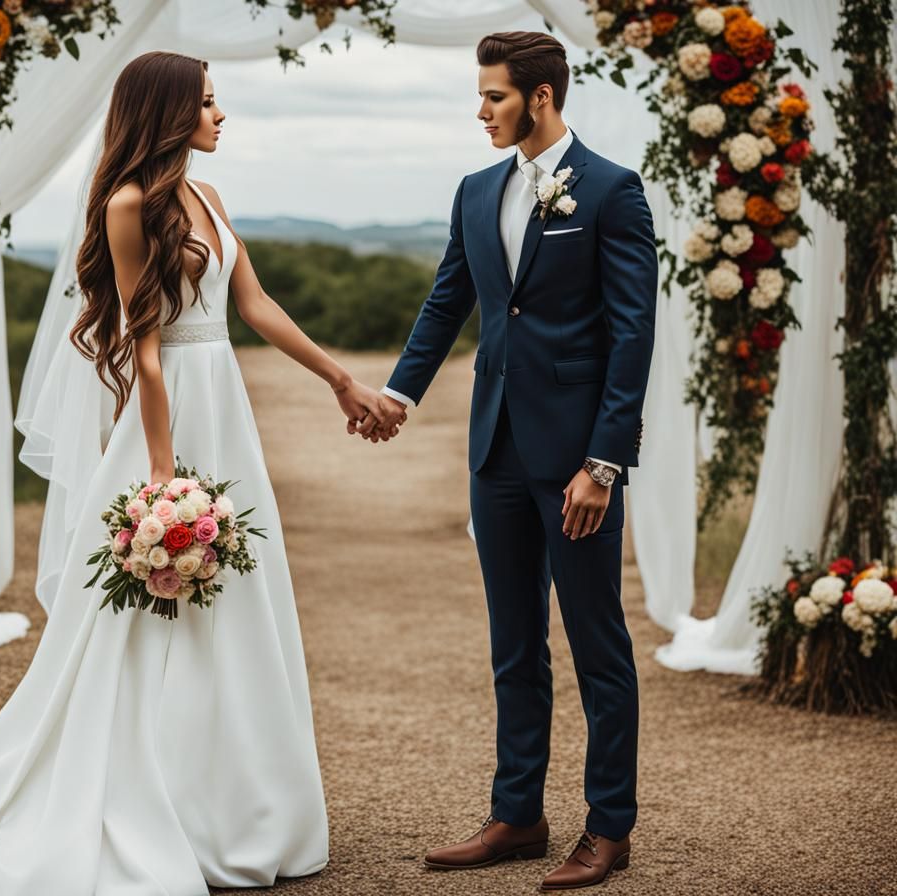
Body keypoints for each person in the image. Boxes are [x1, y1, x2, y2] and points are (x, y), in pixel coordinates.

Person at [0, 50, 398, 896]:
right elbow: (144, 352)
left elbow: (254, 307)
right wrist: (161, 477)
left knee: (241, 607)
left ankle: (238, 806)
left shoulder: (210, 199)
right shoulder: (128, 206)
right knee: (140, 624)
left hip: (227, 415)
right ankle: (147, 800)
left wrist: (342, 381)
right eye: (209, 103)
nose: (222, 117)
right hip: (166, 423)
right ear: (171, 112)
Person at [360, 30, 657, 891]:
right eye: (480, 94)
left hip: (575, 464)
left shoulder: (611, 191)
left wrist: (604, 464)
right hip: (493, 451)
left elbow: (632, 333)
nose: (480, 109)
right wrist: (400, 398)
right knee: (513, 645)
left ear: (542, 96)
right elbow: (449, 297)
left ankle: (610, 828)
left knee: (597, 643)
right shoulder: (475, 190)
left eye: (493, 95)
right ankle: (518, 814)